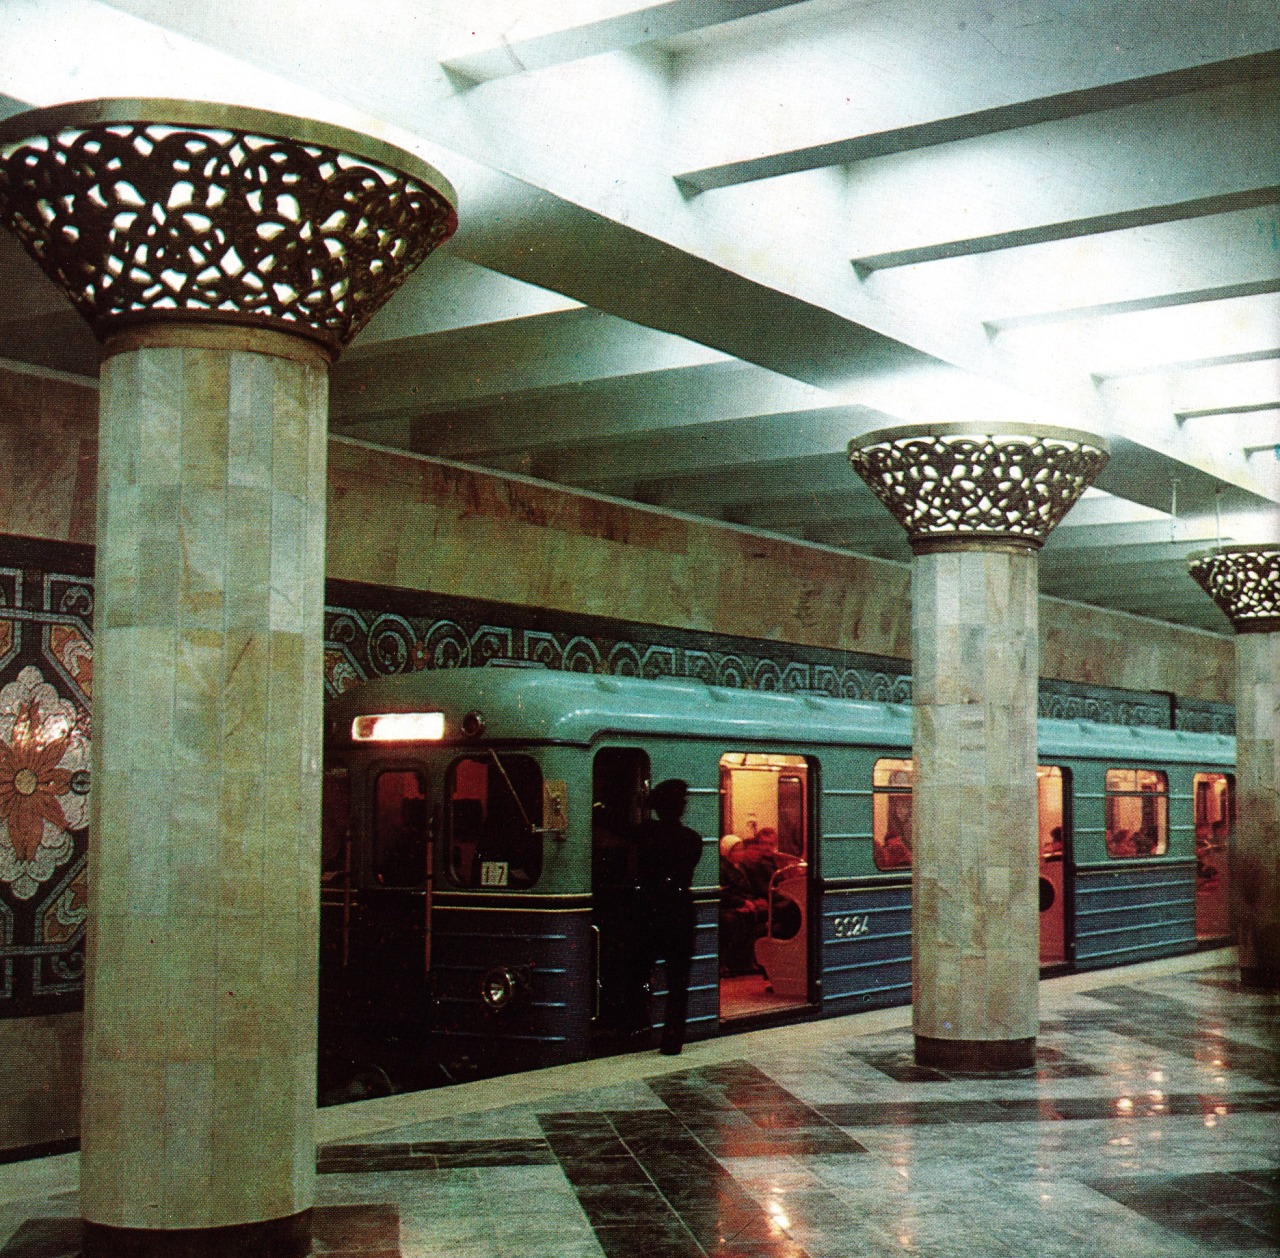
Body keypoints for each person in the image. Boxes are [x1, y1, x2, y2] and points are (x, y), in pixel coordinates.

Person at [637, 778, 703, 1055]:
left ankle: (637, 1027)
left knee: (639, 970)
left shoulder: (645, 834)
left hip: (650, 910)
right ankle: (672, 1040)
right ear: (681, 809)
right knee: (678, 981)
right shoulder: (693, 839)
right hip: (680, 911)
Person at [719, 835, 767, 975]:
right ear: (727, 852)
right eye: (736, 851)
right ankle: (726, 962)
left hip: (743, 903)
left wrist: (754, 901)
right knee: (732, 921)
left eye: (741, 850)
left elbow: (746, 890)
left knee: (761, 916)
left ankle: (746, 960)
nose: (741, 854)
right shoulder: (722, 869)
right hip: (728, 906)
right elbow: (723, 893)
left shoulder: (741, 868)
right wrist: (742, 903)